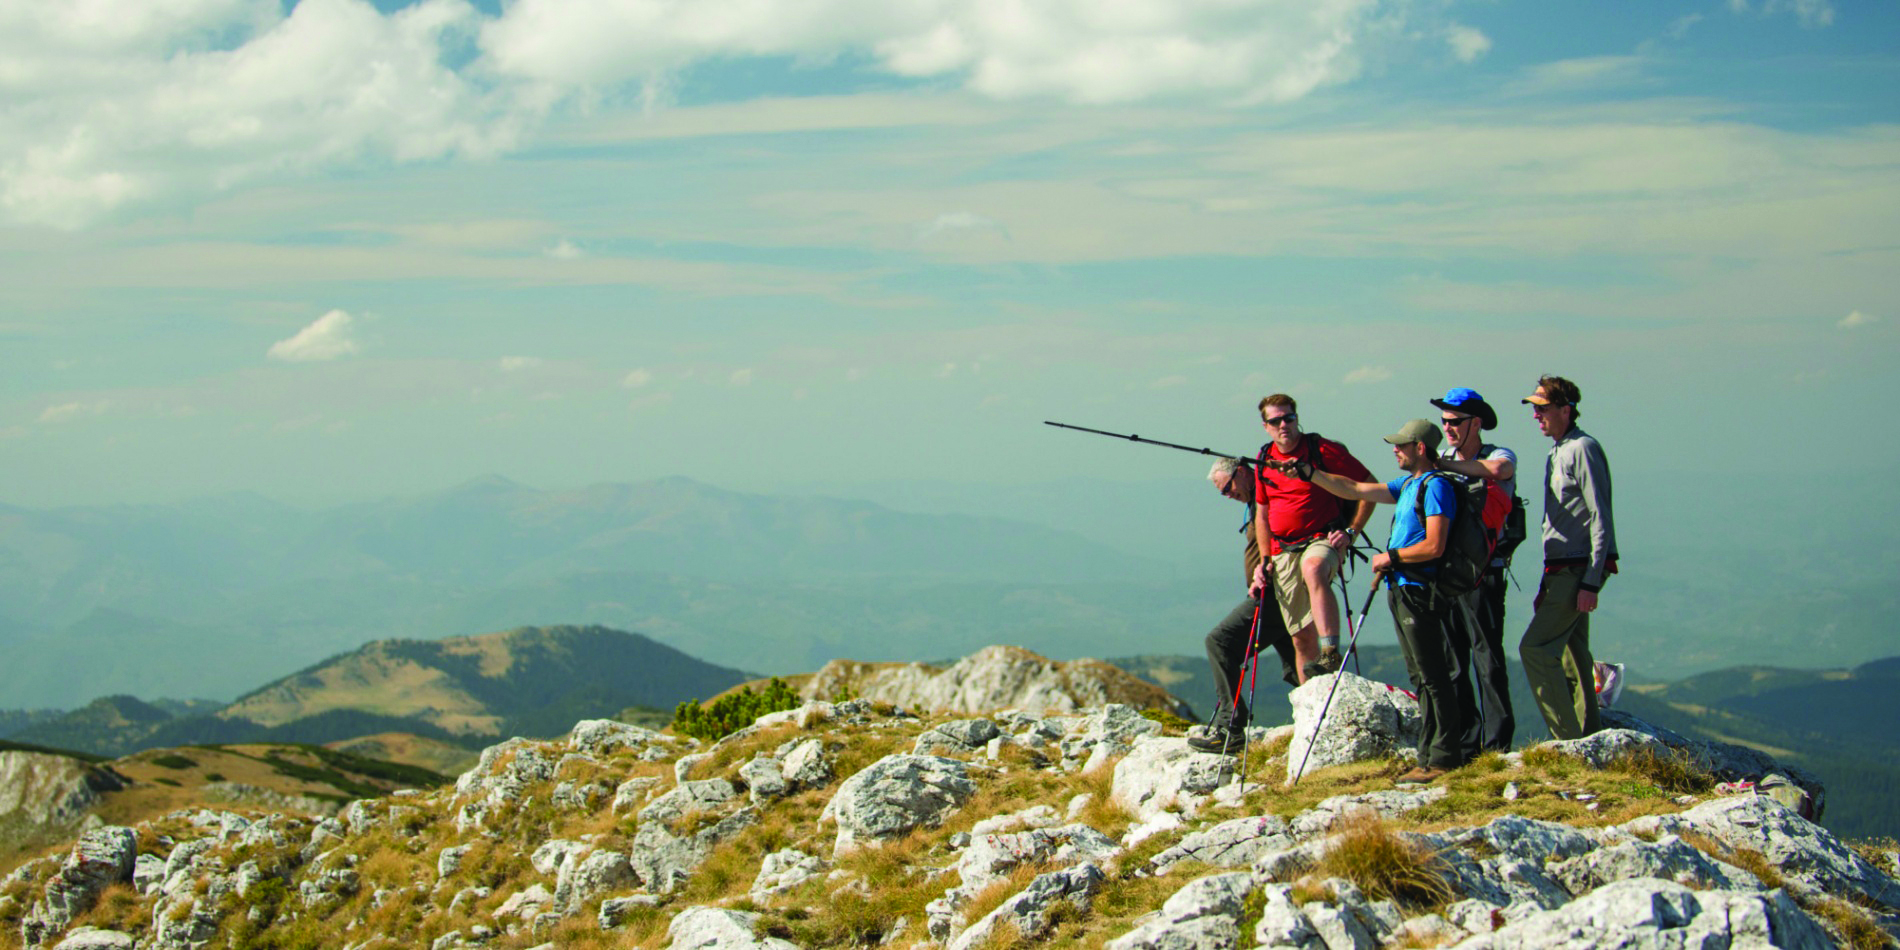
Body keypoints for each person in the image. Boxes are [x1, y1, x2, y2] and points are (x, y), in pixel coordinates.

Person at [1266, 418, 1481, 784]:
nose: (1395, 450)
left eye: (1402, 445)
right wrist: (1309, 472)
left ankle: (1444, 757)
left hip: (1420, 589)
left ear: (1420, 449)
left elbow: (1435, 545)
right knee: (1420, 674)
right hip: (1403, 587)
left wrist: (1390, 558)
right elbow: (1353, 488)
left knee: (1432, 675)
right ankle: (1430, 756)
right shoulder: (1410, 484)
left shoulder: (1435, 487)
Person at [1250, 395, 1374, 682]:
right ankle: (1310, 708)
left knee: (1314, 568)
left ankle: (1330, 652)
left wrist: (1351, 531)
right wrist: (1265, 559)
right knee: (1300, 639)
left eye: (1289, 418)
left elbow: (1368, 487)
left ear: (1296, 418)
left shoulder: (1322, 450)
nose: (1284, 425)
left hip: (1322, 537)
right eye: (1276, 420)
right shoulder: (1263, 459)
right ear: (1265, 426)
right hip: (1282, 549)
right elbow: (1262, 514)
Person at [1520, 375, 1618, 740]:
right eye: (1534, 408)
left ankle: (1566, 740)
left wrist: (1591, 580)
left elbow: (1600, 516)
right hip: (1564, 567)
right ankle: (1588, 736)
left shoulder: (1582, 448)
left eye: (1542, 408)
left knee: (1535, 648)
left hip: (1578, 567)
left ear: (1566, 409)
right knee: (1574, 655)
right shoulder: (1560, 449)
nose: (1535, 415)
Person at [1428, 388, 1519, 751]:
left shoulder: (1497, 454)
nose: (1447, 428)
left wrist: (1442, 466)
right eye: (1444, 421)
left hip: (1485, 572)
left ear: (1476, 423)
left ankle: (1497, 745)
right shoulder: (1447, 456)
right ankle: (1467, 741)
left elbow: (1500, 471)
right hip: (1447, 574)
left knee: (1487, 658)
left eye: (1455, 422)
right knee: (1454, 661)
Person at [1191, 457, 1299, 755]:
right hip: (1279, 594)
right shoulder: (1258, 502)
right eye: (1222, 493)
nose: (1228, 496)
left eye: (1227, 488)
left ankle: (1230, 729)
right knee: (1298, 667)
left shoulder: (1271, 496)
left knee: (1220, 642)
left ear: (1242, 472)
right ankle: (1329, 717)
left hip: (1276, 595)